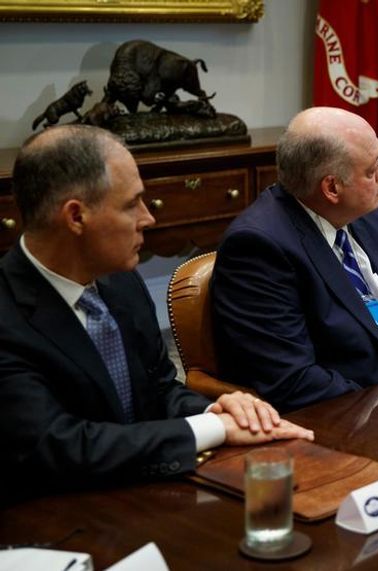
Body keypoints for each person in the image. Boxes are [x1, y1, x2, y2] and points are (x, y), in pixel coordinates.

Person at [0, 125, 313, 500]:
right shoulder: (8, 313)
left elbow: (159, 388)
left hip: (150, 487)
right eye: (131, 204)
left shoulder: (120, 282)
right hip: (53, 515)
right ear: (76, 217)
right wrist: (214, 429)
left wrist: (216, 409)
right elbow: (60, 445)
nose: (148, 218)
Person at [212, 107, 378, 413]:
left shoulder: (369, 213)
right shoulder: (259, 248)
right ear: (332, 187)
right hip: (361, 414)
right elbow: (294, 379)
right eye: (371, 168)